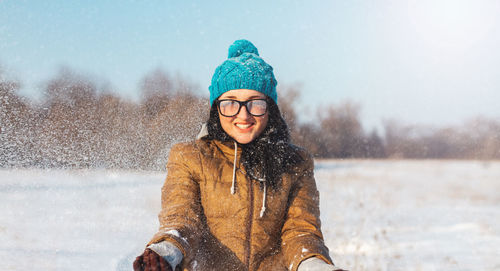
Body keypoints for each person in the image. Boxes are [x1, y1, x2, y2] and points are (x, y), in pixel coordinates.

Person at [133, 40, 345, 271]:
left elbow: (301, 232)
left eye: (255, 103)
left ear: (270, 108)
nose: (243, 116)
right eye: (230, 103)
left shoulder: (296, 164)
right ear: (216, 108)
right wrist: (165, 252)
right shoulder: (190, 157)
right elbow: (182, 221)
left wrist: (317, 267)